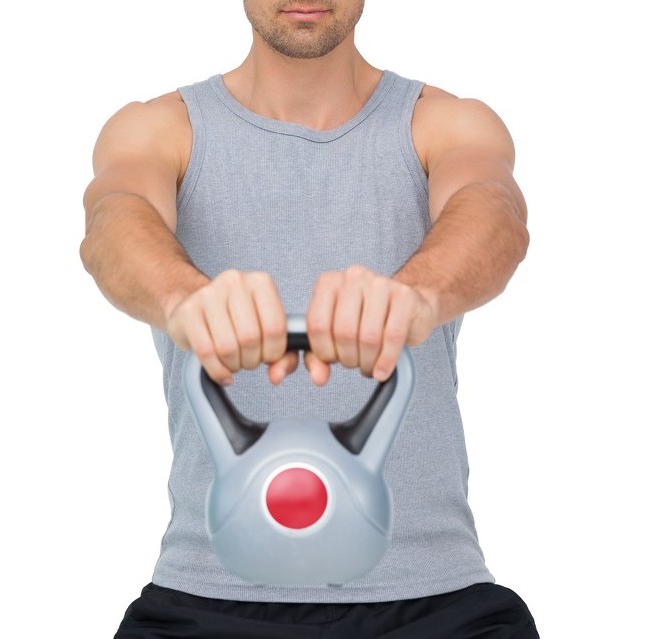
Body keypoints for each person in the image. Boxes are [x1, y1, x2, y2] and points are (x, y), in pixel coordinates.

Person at [80, 1, 539, 637]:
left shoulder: (446, 123)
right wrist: (182, 297)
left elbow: (492, 208)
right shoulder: (158, 129)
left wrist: (419, 293)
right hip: (203, 599)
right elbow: (114, 216)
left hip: (438, 602)